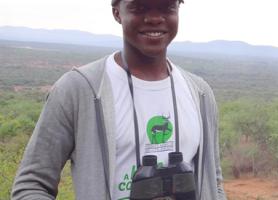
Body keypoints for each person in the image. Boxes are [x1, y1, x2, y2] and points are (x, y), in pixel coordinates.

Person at [11, 0, 226, 199]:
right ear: (117, 12)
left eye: (166, 7)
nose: (154, 18)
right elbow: (32, 184)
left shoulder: (200, 93)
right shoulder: (79, 89)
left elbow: (213, 181)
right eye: (139, 7)